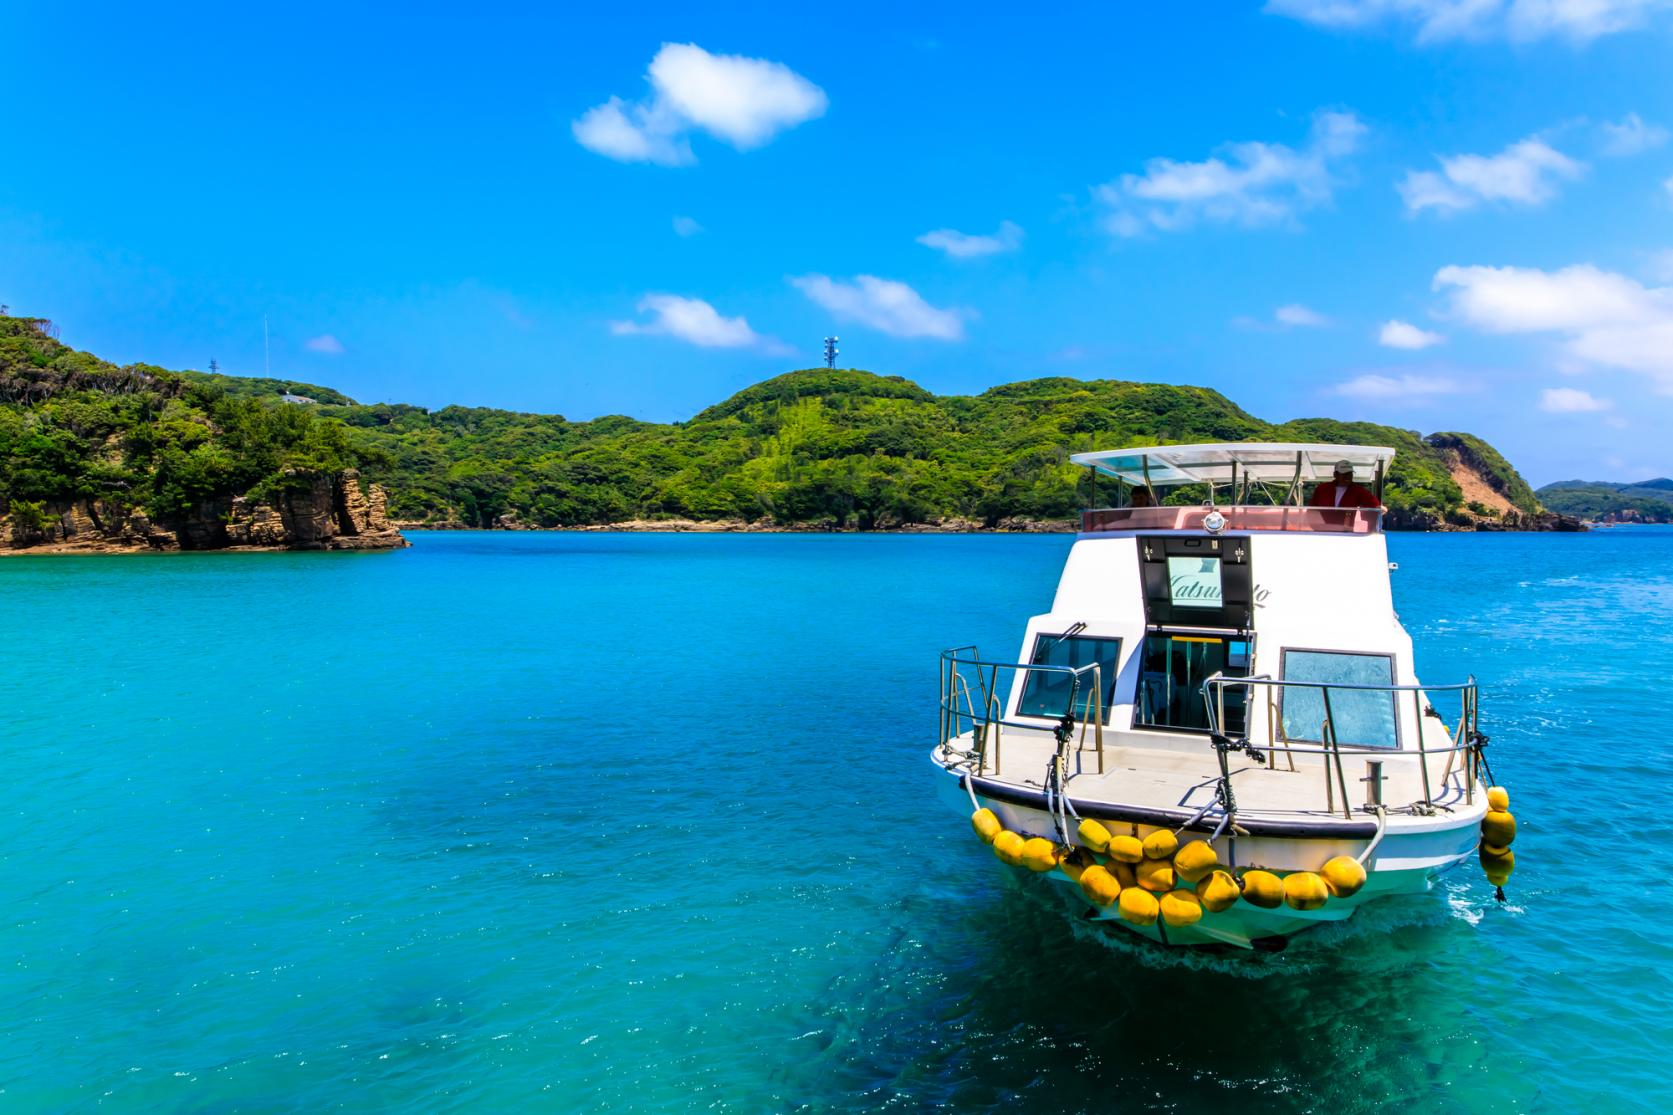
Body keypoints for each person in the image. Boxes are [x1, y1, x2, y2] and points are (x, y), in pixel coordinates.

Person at [1307, 460, 1381, 508]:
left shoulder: (1359, 491)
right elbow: (1312, 509)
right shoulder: (1322, 489)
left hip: (1346, 530)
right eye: (1344, 474)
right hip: (1322, 530)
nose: (1348, 476)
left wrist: (1380, 508)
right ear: (1335, 475)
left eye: (1350, 473)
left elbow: (1374, 505)